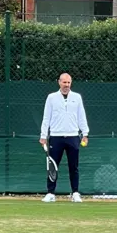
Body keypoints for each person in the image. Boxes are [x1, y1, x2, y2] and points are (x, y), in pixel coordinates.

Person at [40, 72, 89, 202]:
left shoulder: (77, 97)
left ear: (70, 83)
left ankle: (75, 193)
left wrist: (85, 133)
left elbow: (81, 116)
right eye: (64, 82)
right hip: (56, 137)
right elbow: (46, 117)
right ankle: (51, 193)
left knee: (74, 166)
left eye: (68, 82)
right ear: (59, 82)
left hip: (73, 137)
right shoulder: (51, 98)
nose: (66, 85)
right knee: (52, 166)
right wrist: (43, 135)